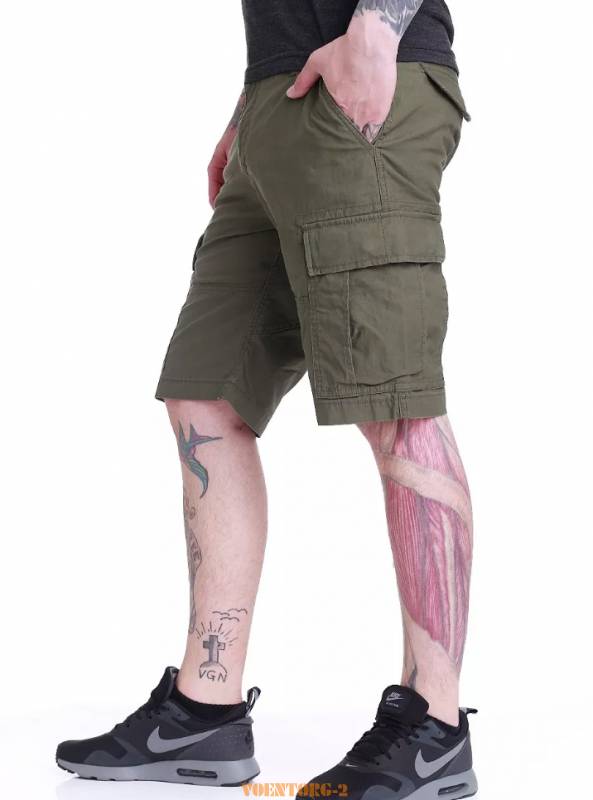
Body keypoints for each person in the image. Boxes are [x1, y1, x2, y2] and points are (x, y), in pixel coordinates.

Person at [56, 1, 476, 797]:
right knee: (204, 396)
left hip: (366, 82)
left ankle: (434, 727)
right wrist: (249, 107)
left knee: (394, 403)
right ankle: (203, 709)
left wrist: (375, 31)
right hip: (277, 101)